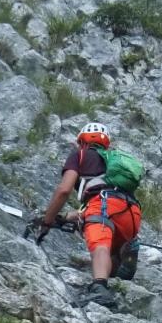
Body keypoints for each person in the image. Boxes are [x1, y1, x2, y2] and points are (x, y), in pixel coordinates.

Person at [37, 121, 142, 308]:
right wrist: (63, 218)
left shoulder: (80, 155)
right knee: (111, 253)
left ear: (83, 142)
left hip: (102, 206)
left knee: (100, 246)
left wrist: (47, 221)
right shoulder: (111, 161)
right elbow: (89, 207)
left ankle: (100, 288)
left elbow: (64, 190)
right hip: (131, 213)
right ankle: (124, 256)